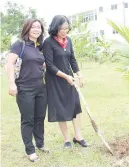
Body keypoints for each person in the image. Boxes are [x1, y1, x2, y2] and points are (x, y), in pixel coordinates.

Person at [6, 18, 48, 162]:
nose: (36, 29)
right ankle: (30, 150)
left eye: (39, 27)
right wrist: (12, 84)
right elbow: (10, 64)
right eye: (33, 27)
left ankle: (40, 144)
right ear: (27, 29)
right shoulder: (19, 45)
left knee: (40, 117)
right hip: (25, 88)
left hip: (41, 88)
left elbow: (41, 65)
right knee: (28, 119)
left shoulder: (39, 46)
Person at [43, 15, 88, 148]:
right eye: (62, 29)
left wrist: (79, 75)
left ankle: (78, 136)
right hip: (55, 80)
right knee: (60, 108)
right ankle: (66, 139)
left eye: (67, 28)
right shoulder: (48, 42)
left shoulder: (68, 40)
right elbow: (49, 65)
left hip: (69, 79)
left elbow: (72, 59)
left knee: (75, 106)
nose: (65, 31)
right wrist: (66, 76)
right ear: (55, 28)